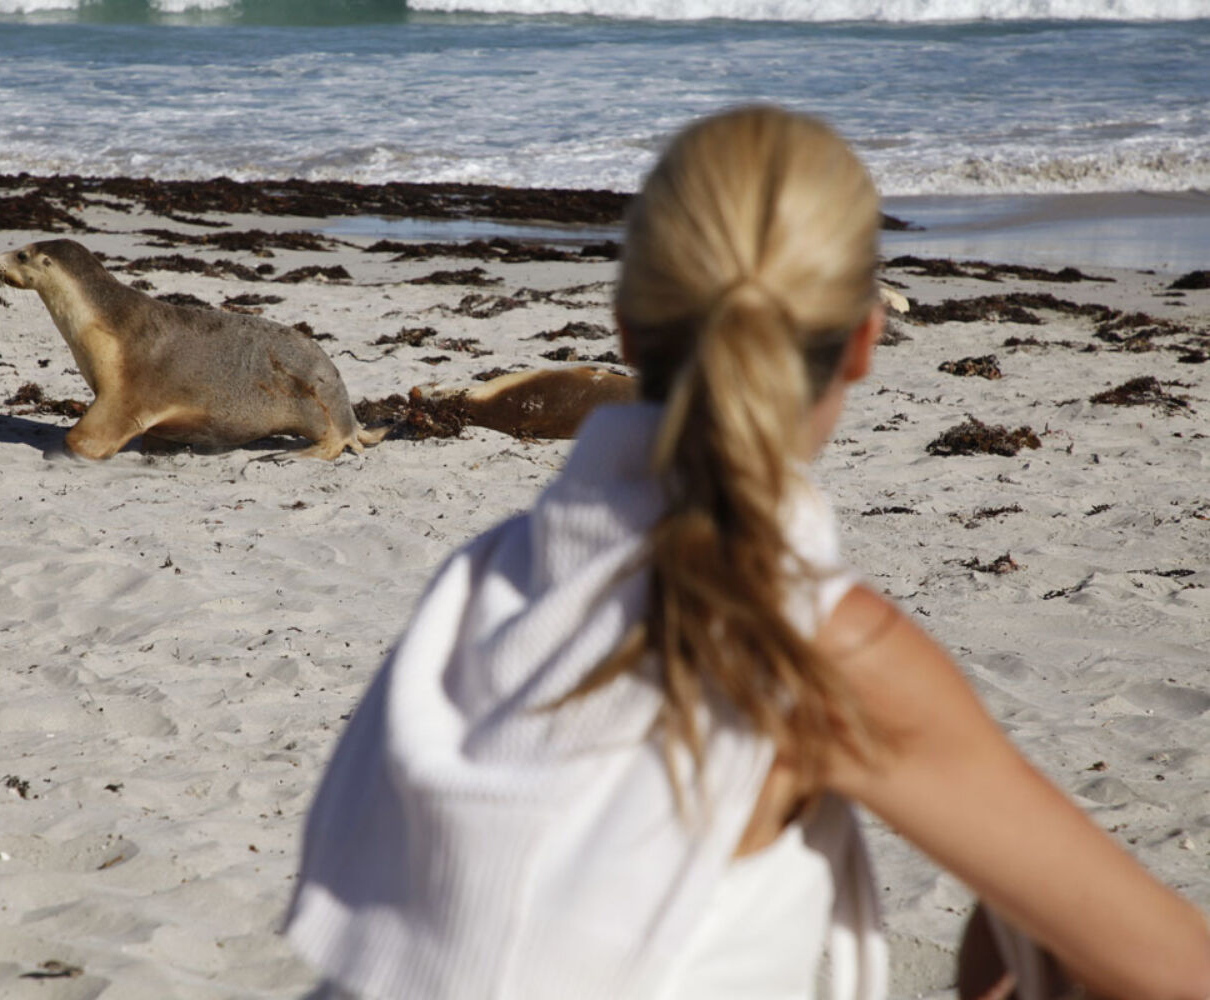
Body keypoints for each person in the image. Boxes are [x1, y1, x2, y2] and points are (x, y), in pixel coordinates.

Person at [283, 106, 1210, 1000]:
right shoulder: (816, 639)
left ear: (627, 332)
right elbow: (1176, 969)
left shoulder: (483, 580)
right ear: (863, 343)